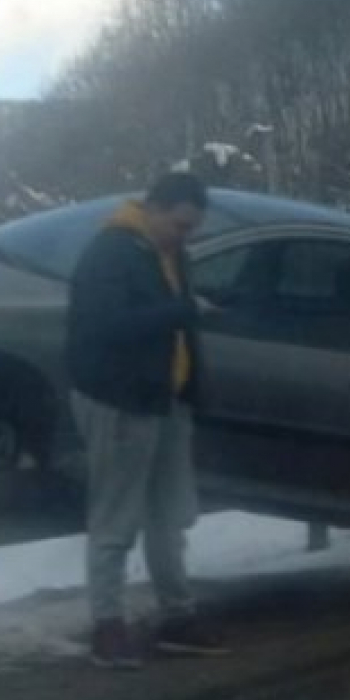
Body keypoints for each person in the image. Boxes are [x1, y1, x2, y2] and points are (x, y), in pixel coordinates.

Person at [65, 171, 228, 669]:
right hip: (118, 399)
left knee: (167, 516)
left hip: (165, 399)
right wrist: (181, 310)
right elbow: (106, 328)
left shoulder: (167, 251)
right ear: (154, 208)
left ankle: (176, 616)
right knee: (116, 518)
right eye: (180, 225)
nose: (185, 236)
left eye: (191, 229)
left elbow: (173, 328)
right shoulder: (111, 253)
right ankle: (107, 626)